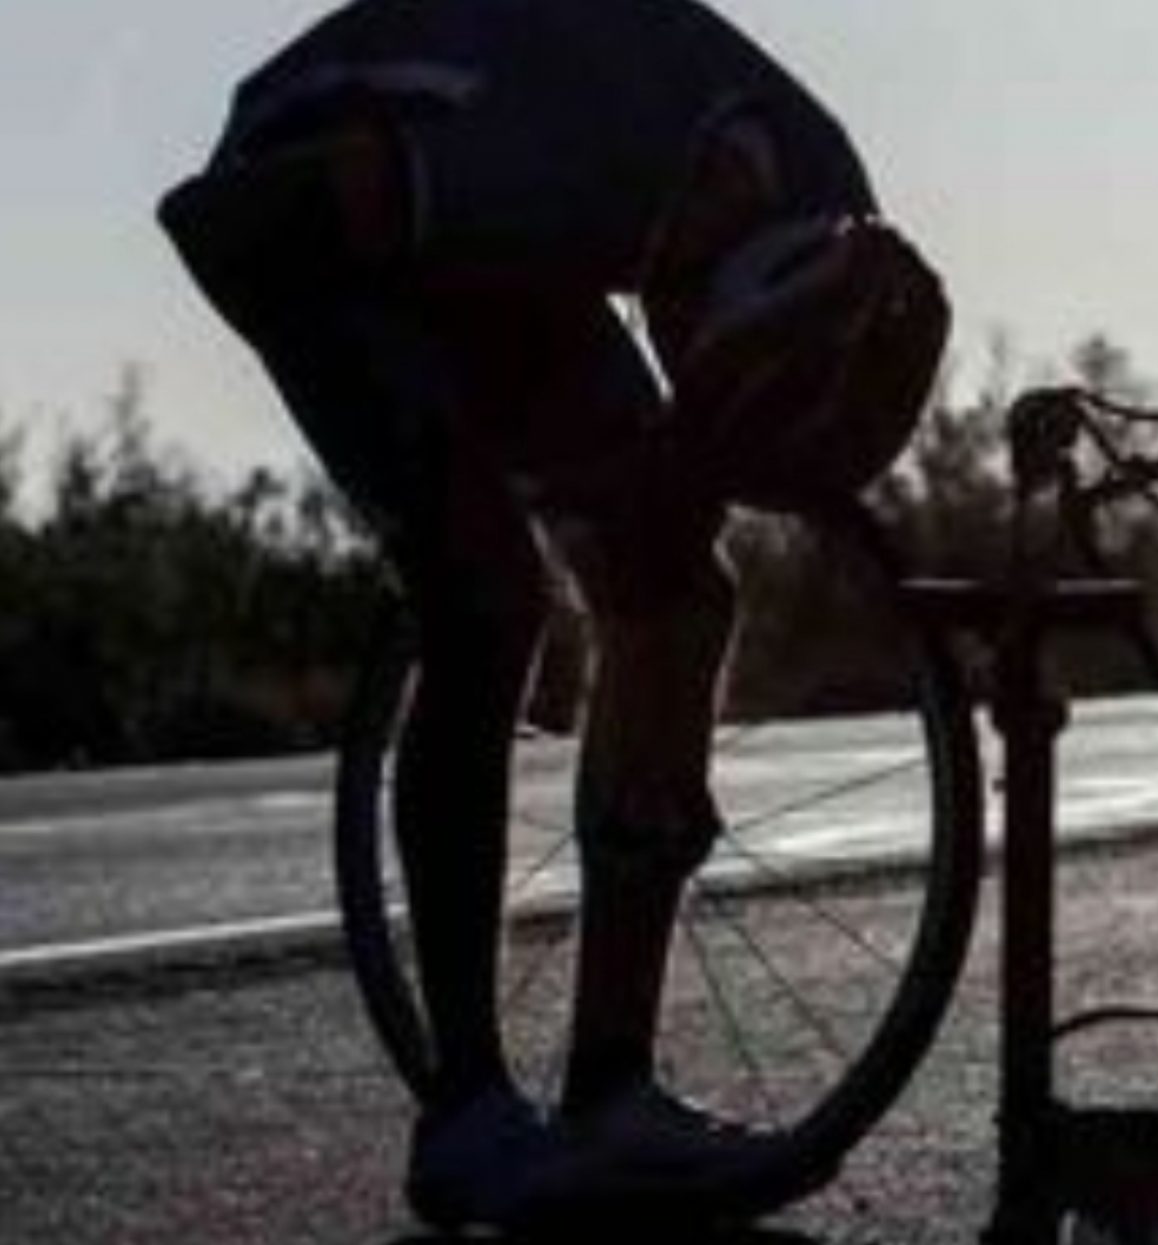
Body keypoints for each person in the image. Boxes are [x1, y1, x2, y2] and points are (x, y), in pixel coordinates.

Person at [158, 0, 947, 1231]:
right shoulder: (540, 163)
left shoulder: (823, 187)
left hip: (529, 236)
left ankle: (611, 1089)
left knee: (674, 588)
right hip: (312, 204)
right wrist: (475, 484)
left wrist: (669, 489)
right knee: (484, 596)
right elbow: (206, 228)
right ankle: (465, 1116)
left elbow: (720, 428)